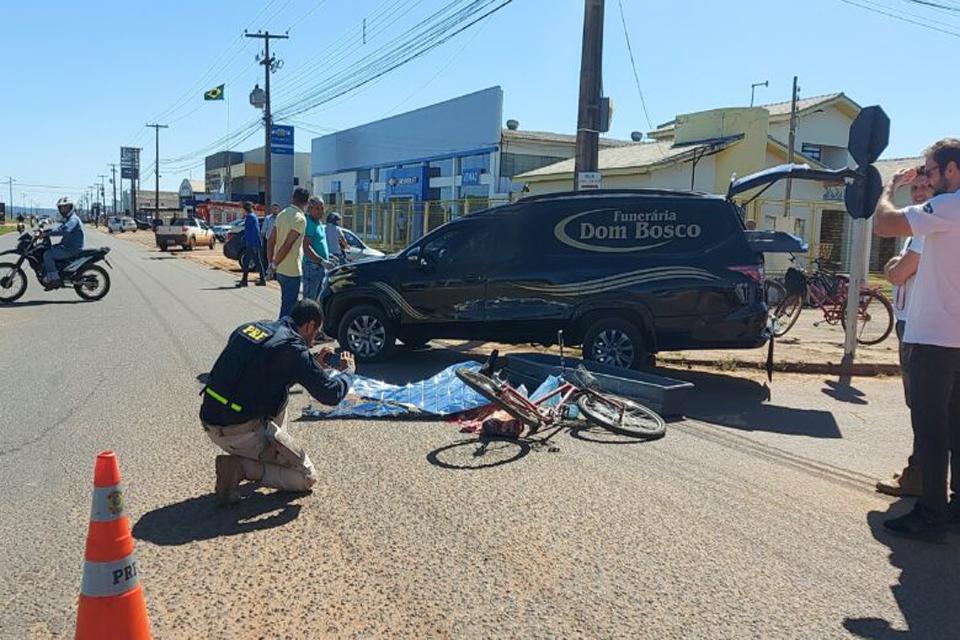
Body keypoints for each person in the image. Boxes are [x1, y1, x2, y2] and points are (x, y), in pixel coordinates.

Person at [873, 138, 960, 541]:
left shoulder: (948, 207)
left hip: (934, 337)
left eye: (928, 170)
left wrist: (886, 189)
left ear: (951, 170)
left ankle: (931, 514)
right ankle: (953, 506)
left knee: (930, 427)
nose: (924, 177)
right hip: (954, 337)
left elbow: (885, 224)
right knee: (954, 424)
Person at [200, 300, 356, 505]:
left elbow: (263, 373)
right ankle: (242, 467)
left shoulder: (251, 328)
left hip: (211, 422)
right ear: (309, 326)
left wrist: (312, 365)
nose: (313, 339)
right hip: (241, 432)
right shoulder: (293, 348)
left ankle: (265, 450)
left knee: (281, 392)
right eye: (315, 332)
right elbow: (331, 395)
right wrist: (348, 373)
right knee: (306, 477)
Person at [875, 174, 932, 497]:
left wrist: (894, 266)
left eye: (927, 186)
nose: (920, 192)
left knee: (923, 406)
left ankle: (919, 475)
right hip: (913, 322)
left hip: (919, 326)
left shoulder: (927, 228)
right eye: (916, 188)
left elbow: (897, 274)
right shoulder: (919, 229)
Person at [267, 188, 309, 319]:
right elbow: (288, 245)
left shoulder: (282, 214)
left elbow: (271, 240)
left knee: (289, 304)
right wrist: (274, 264)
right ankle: (282, 335)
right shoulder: (300, 219)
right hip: (292, 270)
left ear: (292, 198)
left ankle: (290, 332)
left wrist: (271, 263)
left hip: (280, 269)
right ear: (306, 203)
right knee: (288, 308)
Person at [42, 197, 85, 287]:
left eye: (65, 207)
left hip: (71, 248)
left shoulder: (73, 219)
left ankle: (54, 280)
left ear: (71, 208)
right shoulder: (69, 219)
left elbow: (64, 230)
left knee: (47, 255)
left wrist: (48, 234)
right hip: (67, 245)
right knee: (48, 249)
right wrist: (47, 231)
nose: (63, 210)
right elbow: (59, 228)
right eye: (61, 208)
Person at [302, 196, 330, 300]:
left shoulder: (319, 223)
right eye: (317, 208)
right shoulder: (309, 223)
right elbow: (306, 247)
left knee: (317, 299)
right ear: (310, 209)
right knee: (310, 300)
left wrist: (329, 257)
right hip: (312, 266)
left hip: (320, 266)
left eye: (322, 208)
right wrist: (321, 260)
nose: (321, 211)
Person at [237, 201, 266, 287]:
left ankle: (244, 281)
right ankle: (262, 279)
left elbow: (253, 232)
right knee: (257, 262)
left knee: (246, 261)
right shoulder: (253, 217)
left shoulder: (250, 217)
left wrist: (252, 244)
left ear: (245, 209)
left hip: (252, 244)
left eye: (242, 209)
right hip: (254, 243)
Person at [260, 202, 279, 271]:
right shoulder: (268, 218)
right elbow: (263, 230)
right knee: (266, 257)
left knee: (276, 257)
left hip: (277, 241)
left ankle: (275, 274)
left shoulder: (280, 218)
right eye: (273, 209)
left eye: (276, 209)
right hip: (268, 240)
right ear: (271, 209)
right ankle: (266, 272)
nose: (275, 210)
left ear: (278, 209)